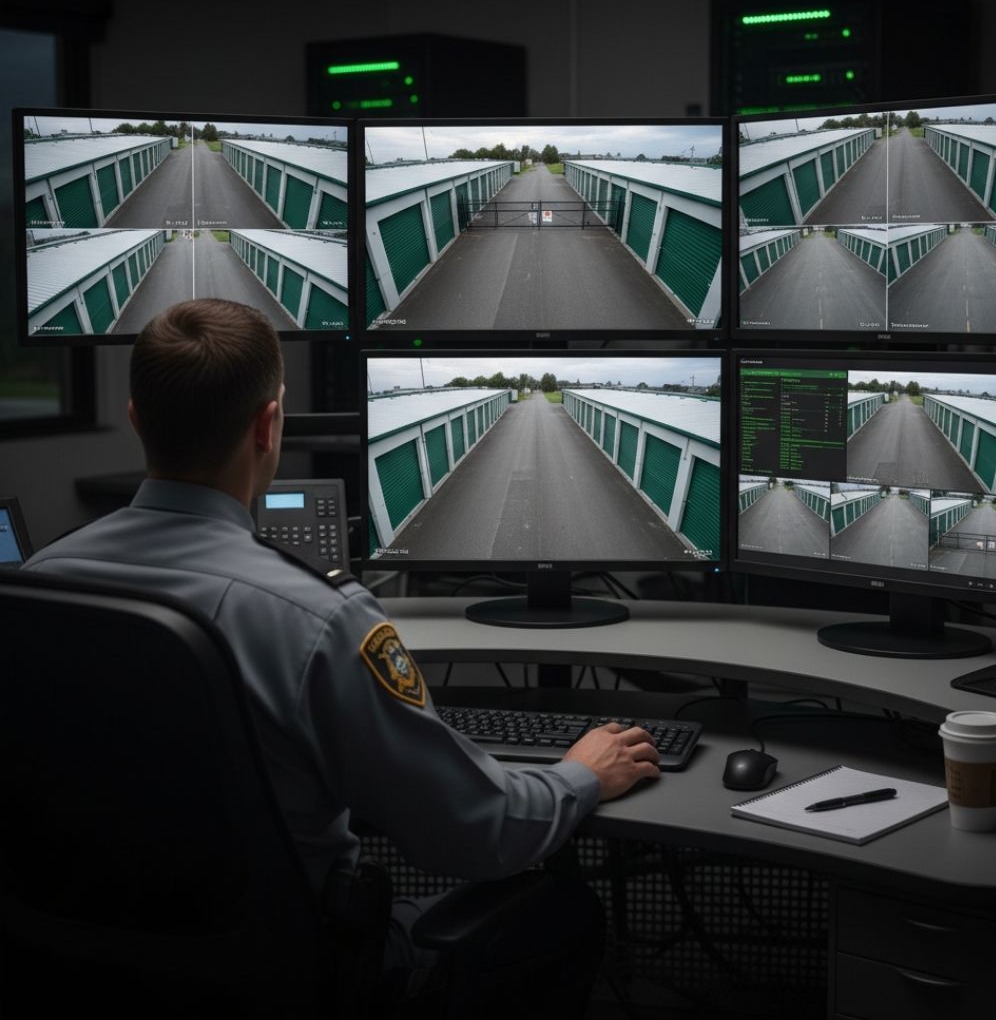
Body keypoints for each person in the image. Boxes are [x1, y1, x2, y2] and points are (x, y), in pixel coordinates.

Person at [21, 297, 661, 1015]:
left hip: (84, 964)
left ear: (137, 419)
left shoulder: (38, 586)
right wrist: (579, 775)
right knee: (560, 917)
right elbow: (476, 831)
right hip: (288, 970)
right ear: (268, 426)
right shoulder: (318, 619)